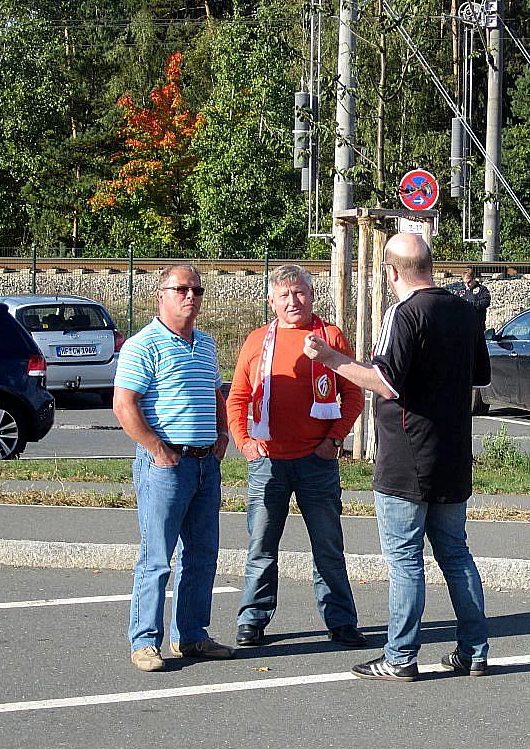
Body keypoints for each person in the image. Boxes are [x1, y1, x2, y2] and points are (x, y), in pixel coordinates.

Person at [303, 233, 491, 681]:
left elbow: (386, 383)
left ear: (389, 272)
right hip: (452, 455)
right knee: (456, 555)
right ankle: (474, 651)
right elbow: (480, 376)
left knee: (405, 560)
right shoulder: (465, 310)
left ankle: (401, 656)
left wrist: (330, 357)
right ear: (430, 264)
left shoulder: (403, 313)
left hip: (407, 458)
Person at [226, 265, 367, 649]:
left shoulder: (330, 336)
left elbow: (352, 394)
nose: (293, 301)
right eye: (284, 295)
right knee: (261, 547)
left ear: (312, 295)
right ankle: (252, 620)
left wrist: (334, 441)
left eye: (300, 293)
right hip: (267, 462)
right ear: (272, 301)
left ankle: (340, 622)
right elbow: (237, 398)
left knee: (328, 548)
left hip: (317, 462)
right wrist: (245, 444)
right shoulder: (256, 341)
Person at [113, 263, 233, 673]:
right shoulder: (143, 345)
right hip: (166, 466)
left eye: (197, 290)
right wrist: (155, 448)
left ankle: (192, 636)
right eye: (181, 289)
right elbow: (124, 404)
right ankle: (145, 641)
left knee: (202, 556)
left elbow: (217, 391)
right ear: (161, 294)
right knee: (157, 557)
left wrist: (222, 435)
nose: (191, 297)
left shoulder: (206, 345)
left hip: (204, 465)